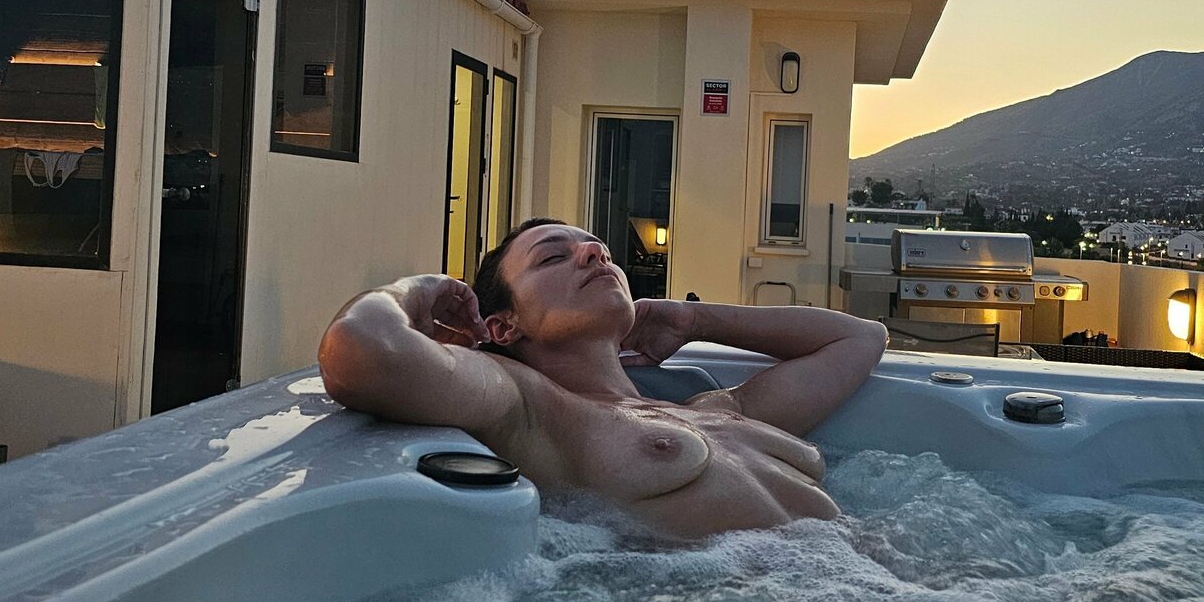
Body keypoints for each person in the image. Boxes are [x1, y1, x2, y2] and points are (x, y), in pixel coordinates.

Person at [316, 218, 888, 539]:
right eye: (552, 258)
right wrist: (418, 288)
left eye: (598, 249)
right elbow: (362, 350)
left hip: (870, 587)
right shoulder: (532, 408)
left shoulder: (720, 409)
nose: (593, 253)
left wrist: (692, 319)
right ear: (503, 325)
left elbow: (860, 338)